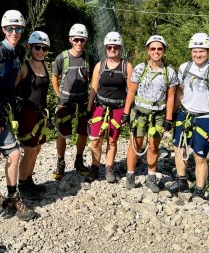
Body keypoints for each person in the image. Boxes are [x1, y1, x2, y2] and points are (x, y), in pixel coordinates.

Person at [0, 10, 36, 221]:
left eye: (18, 28)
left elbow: (16, 78)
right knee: (13, 153)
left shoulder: (16, 52)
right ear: (3, 29)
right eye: (10, 28)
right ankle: (13, 198)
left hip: (4, 107)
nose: (14, 32)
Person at [170, 33, 209, 199]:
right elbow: (179, 92)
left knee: (199, 156)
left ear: (208, 51)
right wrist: (173, 114)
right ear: (191, 51)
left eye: (201, 51)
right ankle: (182, 182)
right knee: (178, 148)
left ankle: (200, 191)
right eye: (195, 51)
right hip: (184, 114)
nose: (198, 55)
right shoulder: (184, 68)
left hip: (205, 117)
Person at [122, 35, 178, 192]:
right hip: (140, 112)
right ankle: (130, 175)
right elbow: (131, 92)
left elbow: (171, 96)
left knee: (154, 146)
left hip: (158, 115)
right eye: (153, 48)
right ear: (148, 51)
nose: (156, 51)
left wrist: (168, 117)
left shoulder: (169, 72)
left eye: (159, 49)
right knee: (135, 144)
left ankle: (151, 177)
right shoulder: (140, 69)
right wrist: (126, 113)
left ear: (164, 51)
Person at [86, 32, 133, 183]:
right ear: (106, 48)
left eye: (116, 47)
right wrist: (88, 109)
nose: (112, 49)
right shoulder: (100, 66)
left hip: (118, 108)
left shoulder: (127, 67)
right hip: (100, 107)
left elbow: (131, 91)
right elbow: (94, 87)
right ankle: (95, 167)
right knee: (95, 140)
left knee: (112, 140)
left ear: (120, 48)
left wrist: (126, 112)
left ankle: (109, 168)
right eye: (110, 47)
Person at [52, 23, 94, 180]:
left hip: (83, 100)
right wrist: (59, 95)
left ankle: (79, 160)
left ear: (86, 41)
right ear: (71, 39)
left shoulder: (89, 58)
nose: (79, 43)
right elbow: (54, 77)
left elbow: (93, 79)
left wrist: (91, 100)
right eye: (76, 39)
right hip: (65, 100)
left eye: (82, 40)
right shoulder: (61, 58)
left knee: (83, 131)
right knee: (62, 133)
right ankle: (60, 162)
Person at [15, 31, 50, 199]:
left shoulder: (45, 66)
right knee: (29, 149)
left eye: (44, 48)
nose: (40, 51)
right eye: (37, 47)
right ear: (30, 47)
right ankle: (22, 185)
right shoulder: (24, 66)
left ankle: (29, 180)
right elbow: (13, 89)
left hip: (41, 114)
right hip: (27, 113)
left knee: (37, 148)